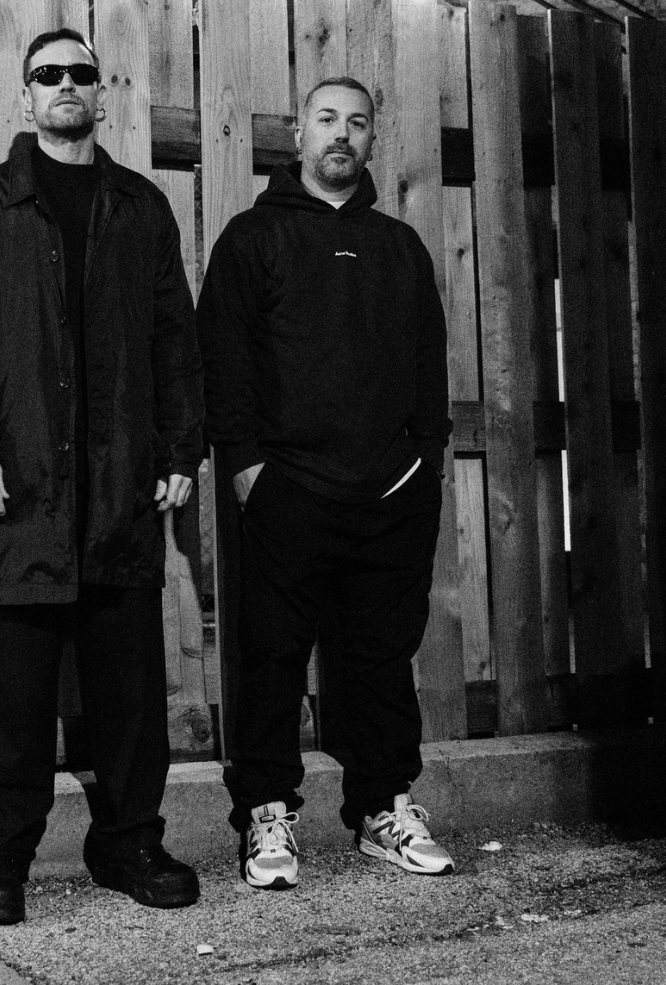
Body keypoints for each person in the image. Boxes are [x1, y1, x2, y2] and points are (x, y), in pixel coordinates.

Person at [0, 28, 204, 925]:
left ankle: (130, 845)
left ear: (101, 94)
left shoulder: (140, 207)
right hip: (18, 495)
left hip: (119, 492)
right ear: (26, 97)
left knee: (130, 698)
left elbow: (174, 340)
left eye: (81, 73)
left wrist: (179, 452)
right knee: (8, 704)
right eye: (48, 74)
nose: (66, 85)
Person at [196, 76, 454, 890]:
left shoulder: (398, 246)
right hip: (289, 491)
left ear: (372, 139)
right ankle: (268, 814)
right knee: (272, 658)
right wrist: (248, 468)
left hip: (392, 493)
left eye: (357, 123)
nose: (342, 134)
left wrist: (425, 465)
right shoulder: (253, 238)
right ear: (298, 134)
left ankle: (385, 807)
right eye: (327, 120)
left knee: (383, 657)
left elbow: (430, 364)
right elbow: (222, 361)